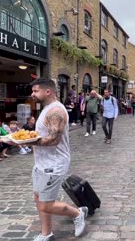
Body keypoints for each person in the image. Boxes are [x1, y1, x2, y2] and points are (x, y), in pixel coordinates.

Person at [25, 78, 87, 240]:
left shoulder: (56, 111)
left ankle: (77, 213)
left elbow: (53, 139)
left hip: (53, 164)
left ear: (48, 92)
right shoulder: (46, 109)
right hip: (41, 163)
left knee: (46, 204)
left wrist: (26, 141)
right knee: (39, 198)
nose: (32, 94)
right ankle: (46, 233)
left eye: (35, 91)